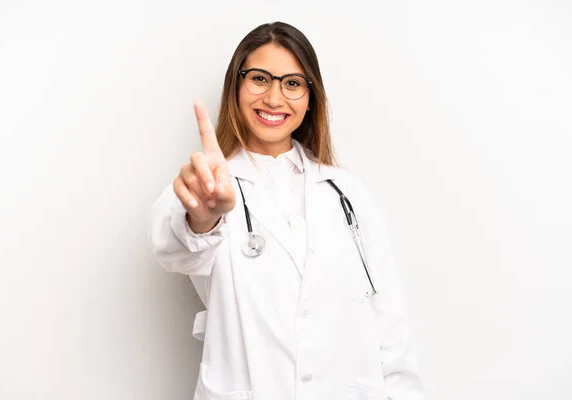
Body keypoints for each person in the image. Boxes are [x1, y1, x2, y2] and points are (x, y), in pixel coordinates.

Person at [149, 21, 424, 400]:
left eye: (292, 83)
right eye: (260, 78)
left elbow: (390, 328)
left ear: (311, 97)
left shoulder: (348, 194)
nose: (275, 99)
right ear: (236, 87)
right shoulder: (210, 184)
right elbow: (173, 246)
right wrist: (203, 216)